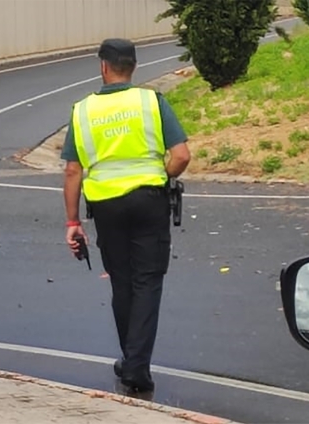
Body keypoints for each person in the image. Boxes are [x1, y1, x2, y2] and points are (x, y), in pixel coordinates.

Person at [60, 38, 191, 393]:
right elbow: (180, 156)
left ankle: (131, 360)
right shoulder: (151, 102)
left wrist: (73, 223)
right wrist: (161, 177)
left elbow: (73, 171)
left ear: (103, 66)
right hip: (149, 200)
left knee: (121, 280)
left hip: (106, 206)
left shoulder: (83, 110)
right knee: (147, 280)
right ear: (133, 67)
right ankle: (136, 366)